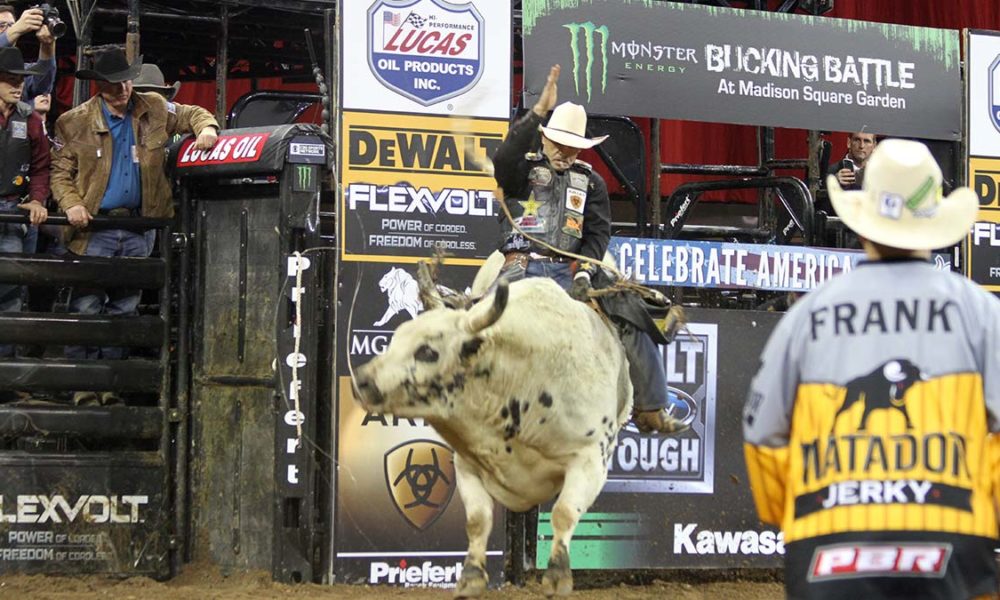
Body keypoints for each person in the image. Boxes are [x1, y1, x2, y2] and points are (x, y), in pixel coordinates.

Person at [743, 139, 999, 599]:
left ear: (862, 225)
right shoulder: (981, 314)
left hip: (830, 538)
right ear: (934, 224)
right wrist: (984, 506)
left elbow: (762, 434)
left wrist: (799, 513)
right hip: (952, 536)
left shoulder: (807, 316)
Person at [491, 64, 686, 435]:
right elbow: (502, 160)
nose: (565, 152)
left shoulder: (591, 182)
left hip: (573, 268)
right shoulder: (521, 172)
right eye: (559, 143)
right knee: (475, 318)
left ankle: (651, 406)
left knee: (633, 316)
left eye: (572, 146)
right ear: (544, 139)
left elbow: (598, 233)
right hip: (523, 265)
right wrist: (536, 114)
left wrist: (584, 268)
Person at [50, 49, 219, 406]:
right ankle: (82, 384)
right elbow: (60, 173)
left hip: (139, 227)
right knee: (86, 307)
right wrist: (72, 203)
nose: (123, 90)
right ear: (100, 87)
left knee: (123, 311)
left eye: (126, 81)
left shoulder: (153, 106)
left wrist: (206, 127)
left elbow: (191, 113)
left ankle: (111, 383)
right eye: (114, 85)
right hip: (95, 229)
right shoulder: (74, 121)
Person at [0, 47, 48, 363]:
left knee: (10, 295)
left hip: (11, 209)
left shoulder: (29, 118)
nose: (18, 86)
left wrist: (38, 199)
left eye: (21, 80)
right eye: (10, 80)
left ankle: (4, 374)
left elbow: (42, 165)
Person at [0, 5, 55, 99]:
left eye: (11, 25)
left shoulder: (22, 71)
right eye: (1, 26)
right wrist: (15, 30)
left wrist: (48, 45)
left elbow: (43, 86)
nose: (8, 30)